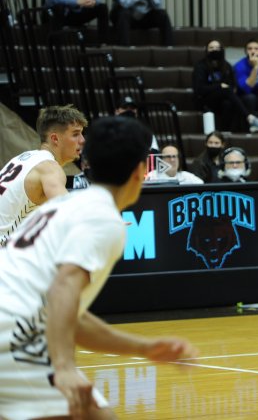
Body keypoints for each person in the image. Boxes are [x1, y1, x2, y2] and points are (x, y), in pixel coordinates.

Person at [0, 116, 198, 420]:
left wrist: (144, 348)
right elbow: (63, 289)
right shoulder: (101, 218)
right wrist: (64, 366)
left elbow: (66, 316)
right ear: (139, 172)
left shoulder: (60, 208)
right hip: (14, 338)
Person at [0, 105, 87, 246]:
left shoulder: (24, 158)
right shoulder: (50, 168)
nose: (82, 140)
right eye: (75, 134)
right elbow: (68, 211)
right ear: (55, 138)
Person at [193, 39, 258, 133]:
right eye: (211, 48)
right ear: (206, 50)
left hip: (224, 99)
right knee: (226, 90)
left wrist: (224, 88)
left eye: (217, 48)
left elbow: (233, 86)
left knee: (229, 102)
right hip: (205, 100)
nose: (215, 50)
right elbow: (199, 89)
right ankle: (249, 118)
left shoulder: (226, 66)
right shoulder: (200, 66)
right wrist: (219, 86)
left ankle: (226, 130)